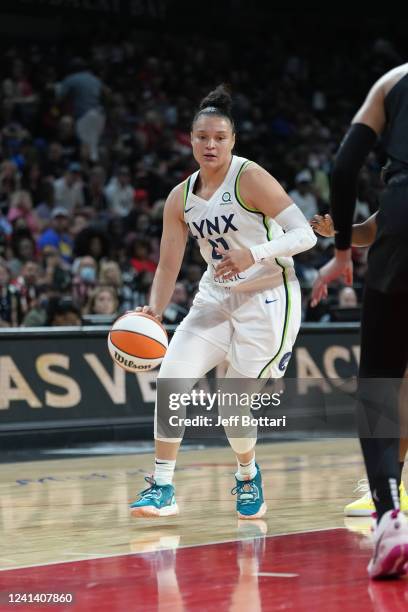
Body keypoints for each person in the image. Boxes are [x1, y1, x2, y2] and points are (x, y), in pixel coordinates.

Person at [129, 85, 316, 519]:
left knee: (232, 405)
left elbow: (304, 234)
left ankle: (248, 475)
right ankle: (162, 486)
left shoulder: (250, 177)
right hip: (214, 296)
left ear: (232, 141)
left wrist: (254, 253)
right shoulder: (180, 197)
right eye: (202, 137)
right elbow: (167, 264)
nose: (210, 144)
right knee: (172, 378)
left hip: (268, 297)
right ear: (190, 140)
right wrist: (154, 311)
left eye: (219, 138)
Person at [310, 64, 408, 579]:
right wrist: (346, 231)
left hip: (402, 219)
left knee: (379, 387)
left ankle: (390, 515)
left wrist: (342, 249)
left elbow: (344, 168)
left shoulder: (393, 83)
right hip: (395, 220)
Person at [312, 212, 408, 516]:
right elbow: (369, 230)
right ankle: (389, 486)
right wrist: (338, 232)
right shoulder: (399, 180)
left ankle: (388, 486)